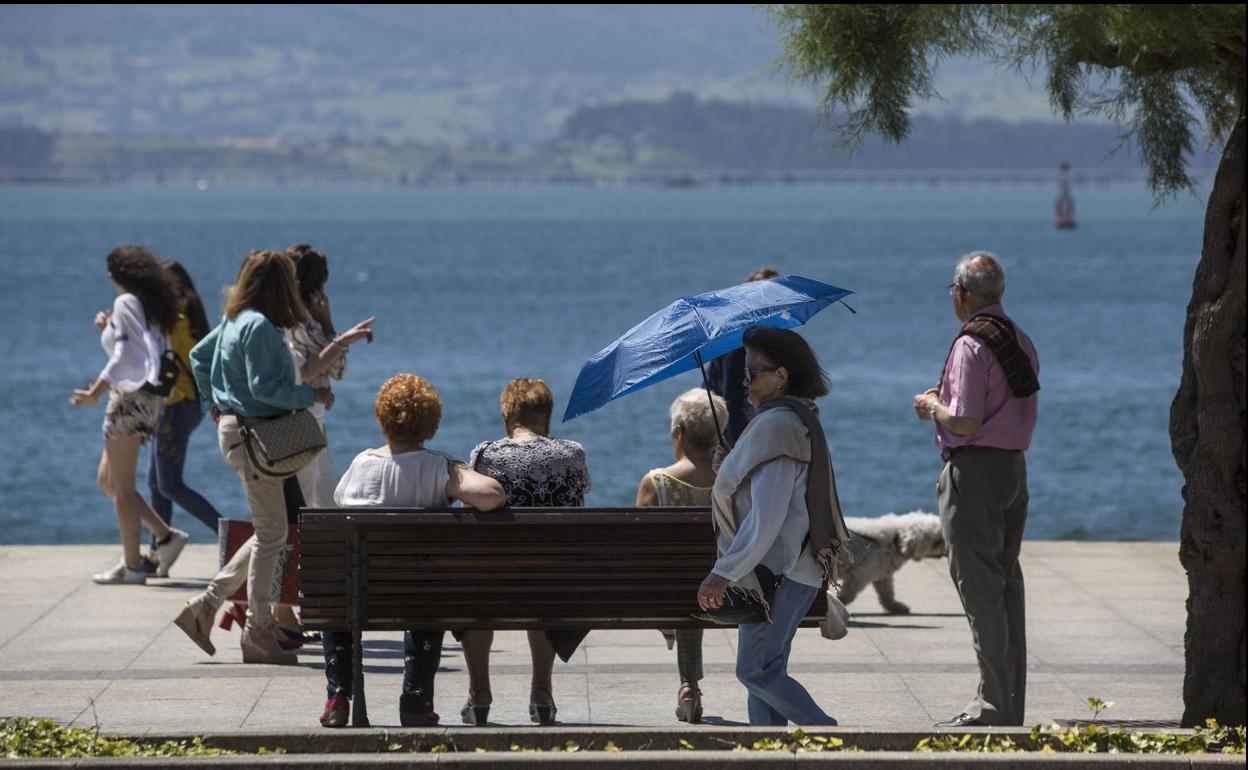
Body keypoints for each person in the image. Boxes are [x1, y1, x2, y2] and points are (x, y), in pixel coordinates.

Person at [172, 249, 335, 665]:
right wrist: (310, 394)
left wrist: (214, 401)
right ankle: (257, 631)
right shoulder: (259, 326)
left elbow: (198, 357)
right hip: (259, 434)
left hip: (241, 431)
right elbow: (265, 389)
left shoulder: (233, 320)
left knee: (271, 532)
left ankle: (206, 609)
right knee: (272, 535)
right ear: (279, 286)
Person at [320, 373, 506, 728]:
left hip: (359, 595)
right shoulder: (439, 467)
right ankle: (416, 701)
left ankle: (339, 694)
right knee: (428, 589)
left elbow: (340, 503)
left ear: (382, 418)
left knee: (339, 589)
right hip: (416, 596)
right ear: (431, 423)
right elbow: (492, 496)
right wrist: (458, 472)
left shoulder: (360, 465)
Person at [696, 326, 849, 726]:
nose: (744, 380)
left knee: (756, 672)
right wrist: (730, 467)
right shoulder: (791, 418)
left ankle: (830, 737)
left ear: (780, 376)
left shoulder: (777, 426)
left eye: (753, 372)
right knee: (766, 672)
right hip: (782, 569)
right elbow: (764, 490)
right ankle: (768, 753)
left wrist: (722, 572)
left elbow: (769, 514)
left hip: (779, 570)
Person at [912, 251, 1039, 728]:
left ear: (962, 293)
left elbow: (964, 421)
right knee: (1005, 584)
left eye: (953, 290)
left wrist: (930, 406)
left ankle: (990, 705)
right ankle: (1008, 702)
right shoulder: (1018, 339)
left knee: (979, 588)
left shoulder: (971, 344)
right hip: (1012, 468)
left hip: (976, 473)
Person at [465, 378, 593, 725]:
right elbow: (584, 493)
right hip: (554, 584)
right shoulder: (573, 454)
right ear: (547, 418)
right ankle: (541, 692)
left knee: (472, 592)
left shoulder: (484, 454)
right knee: (547, 576)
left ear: (507, 419)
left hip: (496, 583)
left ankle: (479, 693)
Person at [72, 245, 190, 585]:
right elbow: (139, 347)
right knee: (107, 481)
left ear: (115, 275)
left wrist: (95, 391)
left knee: (122, 488)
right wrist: (108, 328)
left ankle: (133, 565)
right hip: (150, 401)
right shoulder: (150, 304)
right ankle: (165, 537)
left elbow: (125, 355)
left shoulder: (126, 301)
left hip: (128, 399)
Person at [635, 388, 726, 724]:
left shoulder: (655, 482)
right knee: (699, 576)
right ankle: (691, 685)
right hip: (733, 586)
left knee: (683, 580)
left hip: (673, 592)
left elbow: (639, 551)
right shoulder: (734, 478)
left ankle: (689, 685)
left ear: (679, 433)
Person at [144, 261, 221, 574]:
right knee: (156, 483)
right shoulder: (192, 315)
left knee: (170, 484)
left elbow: (160, 358)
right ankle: (156, 554)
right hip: (182, 406)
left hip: (177, 405)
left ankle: (230, 535)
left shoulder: (176, 318)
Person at [285, 243, 375, 509]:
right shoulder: (292, 322)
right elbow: (310, 370)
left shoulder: (311, 321)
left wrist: (327, 322)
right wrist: (341, 338)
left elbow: (338, 369)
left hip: (315, 419)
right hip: (300, 418)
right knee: (306, 501)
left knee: (326, 501)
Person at [706, 267, 781, 448]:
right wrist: (740, 451)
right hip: (726, 426)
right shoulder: (740, 343)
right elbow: (732, 401)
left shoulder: (760, 339)